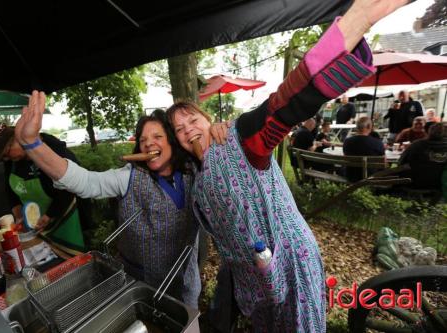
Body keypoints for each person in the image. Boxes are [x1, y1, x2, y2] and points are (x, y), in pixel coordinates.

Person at [165, 1, 409, 331]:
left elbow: (287, 101)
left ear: (207, 120)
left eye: (191, 120)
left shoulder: (242, 137)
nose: (187, 130)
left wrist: (356, 22)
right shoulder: (195, 176)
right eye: (179, 130)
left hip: (291, 266)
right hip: (255, 283)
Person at [11, 103, 227, 308]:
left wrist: (218, 129)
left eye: (157, 136)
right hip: (140, 285)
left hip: (184, 282)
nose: (148, 143)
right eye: (143, 140)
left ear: (171, 142)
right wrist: (33, 144)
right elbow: (85, 182)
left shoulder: (195, 169)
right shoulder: (128, 177)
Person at [0, 122, 92, 255]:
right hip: (39, 227)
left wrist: (49, 216)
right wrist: (18, 214)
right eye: (3, 158)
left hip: (69, 220)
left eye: (7, 152)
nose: (7, 159)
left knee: (77, 258)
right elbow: (10, 190)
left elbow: (71, 186)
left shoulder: (53, 149)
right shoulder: (11, 161)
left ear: (18, 137)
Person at [398, 122, 447, 190]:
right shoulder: (417, 144)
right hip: (441, 184)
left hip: (415, 183)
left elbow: (400, 162)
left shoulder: (417, 145)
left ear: (429, 132)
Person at [343, 117, 385, 182]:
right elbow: (384, 162)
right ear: (369, 127)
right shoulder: (378, 143)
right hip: (371, 176)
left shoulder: (347, 142)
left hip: (351, 176)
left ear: (357, 127)